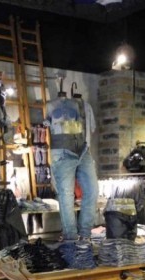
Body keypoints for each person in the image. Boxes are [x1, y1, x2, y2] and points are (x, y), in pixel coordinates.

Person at [44, 83, 98, 243]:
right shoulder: (49, 106)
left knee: (92, 190)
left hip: (82, 149)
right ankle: (70, 237)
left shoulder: (77, 104)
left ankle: (85, 234)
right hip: (62, 152)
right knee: (66, 195)